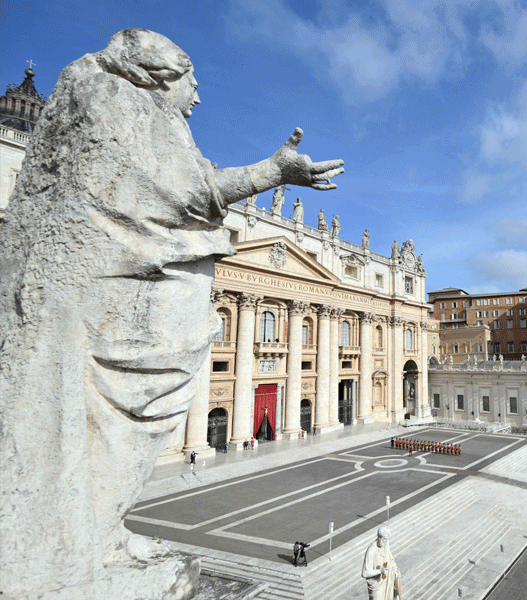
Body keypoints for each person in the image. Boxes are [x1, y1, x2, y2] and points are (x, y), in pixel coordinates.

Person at [0, 29, 345, 596]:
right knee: (116, 415)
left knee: (129, 415)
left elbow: (189, 189)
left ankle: (98, 530)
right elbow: (186, 192)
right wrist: (271, 172)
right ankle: (83, 537)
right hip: (102, 296)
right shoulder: (121, 108)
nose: (200, 97)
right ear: (161, 76)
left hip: (116, 290)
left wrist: (272, 173)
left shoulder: (148, 123)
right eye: (194, 83)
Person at [361, 526, 402, 600]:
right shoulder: (371, 550)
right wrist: (380, 571)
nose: (385, 542)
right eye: (383, 540)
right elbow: (364, 573)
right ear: (379, 537)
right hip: (376, 585)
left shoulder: (386, 543)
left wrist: (394, 569)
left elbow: (391, 559)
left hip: (386, 579)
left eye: (386, 540)